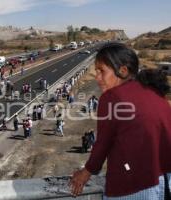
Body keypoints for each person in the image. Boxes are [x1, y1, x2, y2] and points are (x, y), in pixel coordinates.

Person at [70, 43, 171, 199]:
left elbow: (103, 143)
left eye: (101, 71)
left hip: (135, 186)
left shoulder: (112, 98)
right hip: (164, 181)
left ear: (123, 71)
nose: (97, 77)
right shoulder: (154, 92)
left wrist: (86, 172)